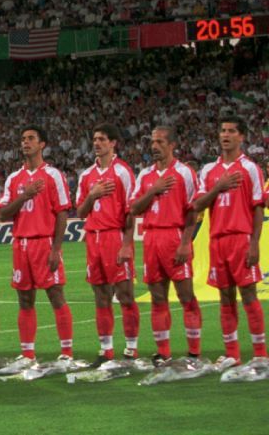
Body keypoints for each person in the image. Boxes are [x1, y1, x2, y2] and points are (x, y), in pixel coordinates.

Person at [0, 126, 74, 363]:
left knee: (55, 295)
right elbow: (3, 214)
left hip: (44, 242)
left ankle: (66, 352)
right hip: (21, 244)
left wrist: (55, 249)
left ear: (42, 144)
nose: (25, 143)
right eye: (22, 139)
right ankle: (27, 353)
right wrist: (24, 195)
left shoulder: (53, 175)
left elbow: (62, 213)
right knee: (25, 299)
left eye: (31, 138)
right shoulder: (14, 178)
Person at [194, 116, 266, 368]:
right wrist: (218, 187)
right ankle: (232, 354)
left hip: (241, 238)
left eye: (231, 131)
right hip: (217, 240)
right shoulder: (208, 171)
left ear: (242, 137)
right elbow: (197, 204)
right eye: (223, 130)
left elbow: (258, 208)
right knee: (225, 297)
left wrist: (255, 242)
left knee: (248, 294)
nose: (226, 135)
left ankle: (260, 354)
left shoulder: (251, 169)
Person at [128, 126, 203, 365]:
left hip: (175, 236)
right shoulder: (145, 176)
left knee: (186, 296)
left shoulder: (185, 173)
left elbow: (193, 211)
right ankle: (164, 353)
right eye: (152, 142)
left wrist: (185, 243)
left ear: (172, 145)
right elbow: (134, 208)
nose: (154, 146)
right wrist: (154, 191)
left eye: (160, 142)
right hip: (151, 239)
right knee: (157, 298)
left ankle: (194, 353)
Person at [74, 123, 141, 365]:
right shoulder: (87, 176)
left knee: (124, 294)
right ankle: (106, 350)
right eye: (94, 139)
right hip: (93, 238)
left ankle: (131, 348)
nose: (97, 143)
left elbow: (131, 212)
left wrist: (126, 244)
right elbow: (80, 212)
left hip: (115, 236)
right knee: (101, 296)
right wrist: (92, 195)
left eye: (102, 139)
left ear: (113, 143)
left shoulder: (123, 172)